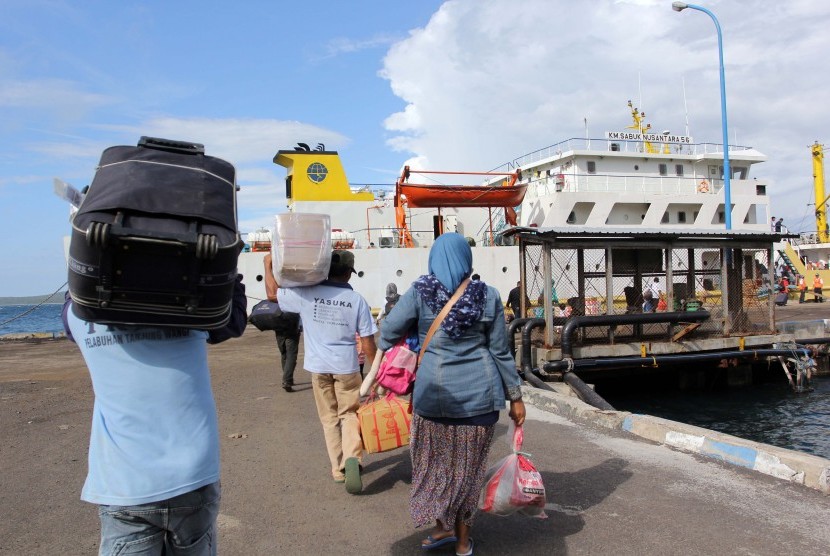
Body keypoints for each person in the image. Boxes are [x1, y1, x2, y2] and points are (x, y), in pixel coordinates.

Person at [62, 275, 248, 555]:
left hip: (124, 483)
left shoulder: (78, 315)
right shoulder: (195, 311)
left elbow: (74, 298)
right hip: (193, 475)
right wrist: (227, 275)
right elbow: (234, 320)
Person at [378, 233, 525, 556]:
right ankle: (461, 542)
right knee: (469, 474)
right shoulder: (488, 296)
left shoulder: (420, 292)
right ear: (466, 259)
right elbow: (501, 353)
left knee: (436, 467)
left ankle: (441, 527)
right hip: (480, 400)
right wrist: (516, 397)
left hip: (433, 400)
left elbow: (387, 333)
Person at [264, 249, 377, 494]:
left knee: (329, 419)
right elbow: (367, 342)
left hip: (318, 367)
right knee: (349, 415)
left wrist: (268, 263)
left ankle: (338, 469)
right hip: (347, 366)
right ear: (348, 273)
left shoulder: (307, 294)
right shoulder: (356, 300)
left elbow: (272, 294)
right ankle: (353, 459)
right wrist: (374, 374)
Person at [264, 254, 302, 392]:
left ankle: (288, 378)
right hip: (291, 319)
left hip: (278, 318)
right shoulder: (292, 284)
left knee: (284, 350)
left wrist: (267, 266)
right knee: (291, 350)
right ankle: (287, 380)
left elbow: (271, 294)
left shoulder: (276, 283)